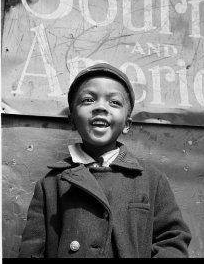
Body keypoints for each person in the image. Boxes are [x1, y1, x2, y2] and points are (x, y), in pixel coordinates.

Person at [19, 63, 192, 258]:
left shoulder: (152, 180)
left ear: (127, 124)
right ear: (72, 120)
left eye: (114, 102)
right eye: (88, 100)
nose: (100, 107)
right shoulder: (50, 184)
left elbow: (173, 240)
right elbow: (32, 251)